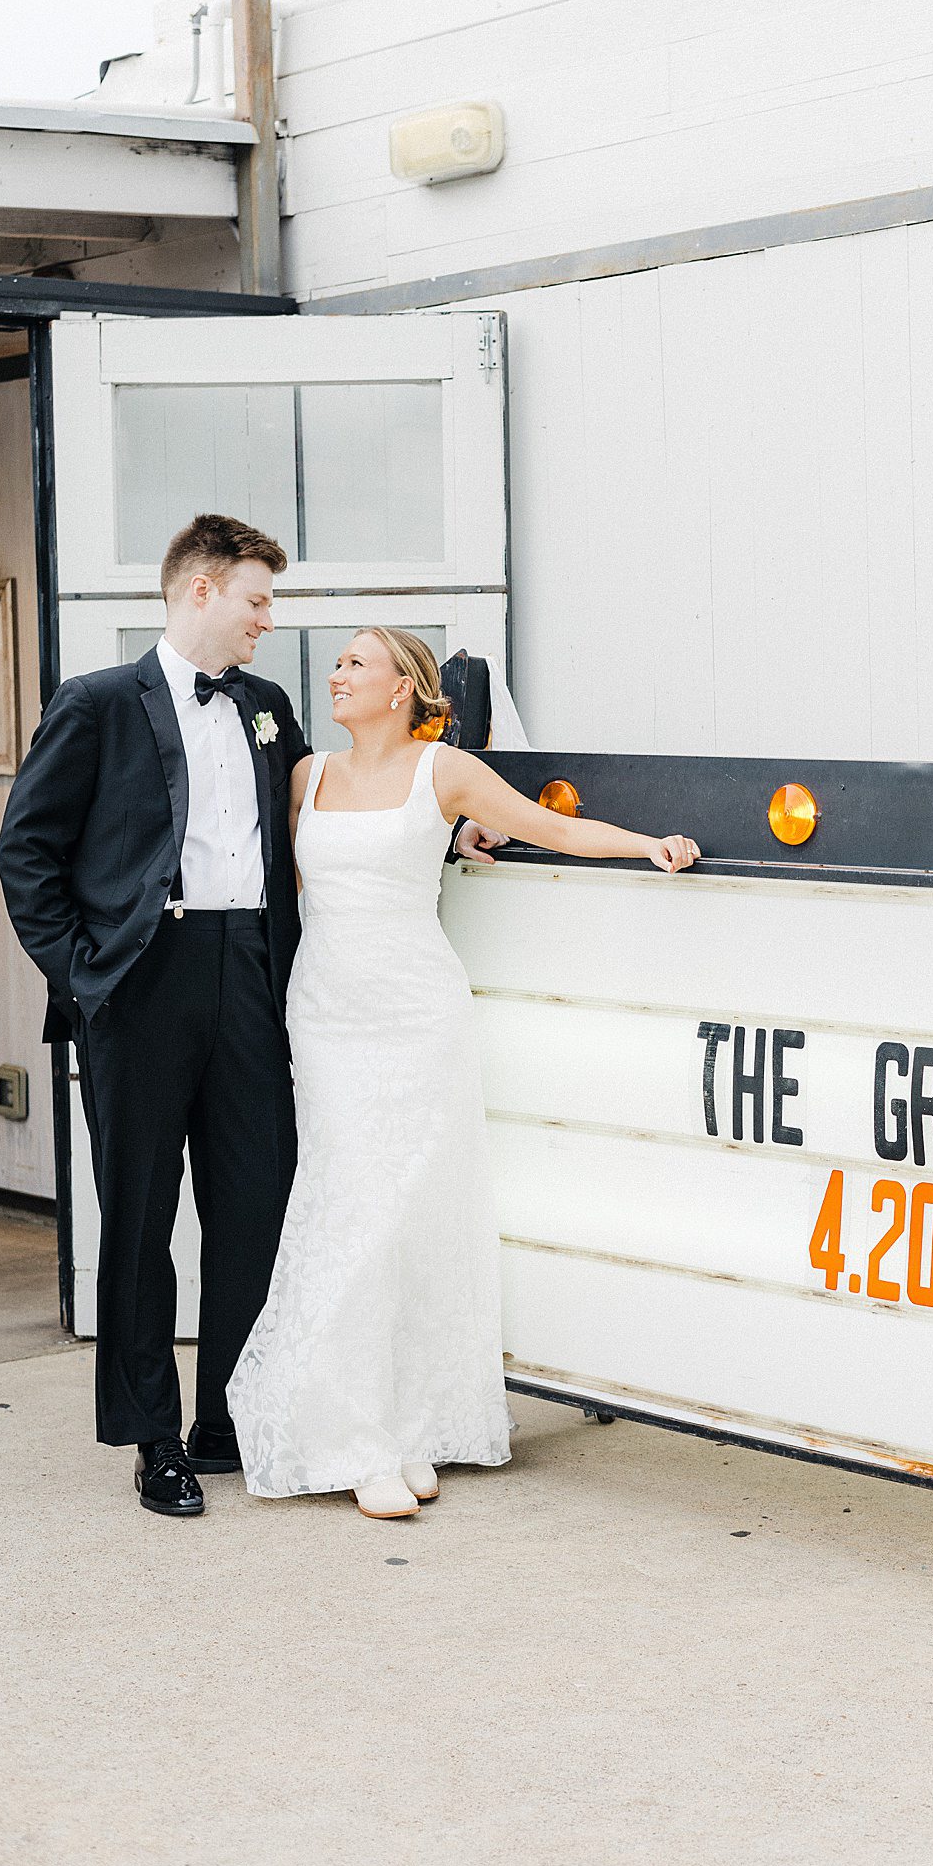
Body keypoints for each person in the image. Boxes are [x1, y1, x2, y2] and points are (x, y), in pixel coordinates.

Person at [226, 627, 700, 1519]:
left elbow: (548, 825)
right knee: (350, 1205)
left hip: (419, 1011)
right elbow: (291, 891)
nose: (336, 675)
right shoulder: (306, 776)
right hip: (328, 1013)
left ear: (403, 687)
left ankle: (407, 1427)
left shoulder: (443, 771)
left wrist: (646, 845)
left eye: (355, 664)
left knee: (413, 1213)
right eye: (337, 664)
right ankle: (352, 1436)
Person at [0, 515, 309, 1517]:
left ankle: (231, 1418)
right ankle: (155, 1440)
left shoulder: (268, 706)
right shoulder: (96, 704)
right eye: (257, 598)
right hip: (138, 983)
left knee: (255, 1205)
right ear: (203, 590)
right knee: (136, 1219)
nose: (269, 619)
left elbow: (321, 813)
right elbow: (27, 855)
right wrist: (85, 978)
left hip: (251, 973)